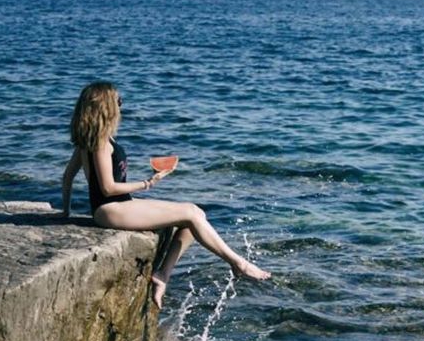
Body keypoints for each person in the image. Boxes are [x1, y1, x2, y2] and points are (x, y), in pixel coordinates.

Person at [61, 81, 269, 309]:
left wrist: (65, 212)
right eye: (118, 101)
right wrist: (147, 183)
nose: (121, 106)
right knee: (191, 214)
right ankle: (238, 263)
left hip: (117, 206)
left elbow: (67, 177)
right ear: (107, 107)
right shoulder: (100, 143)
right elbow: (108, 188)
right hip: (110, 210)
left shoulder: (91, 141)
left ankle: (163, 275)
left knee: (194, 214)